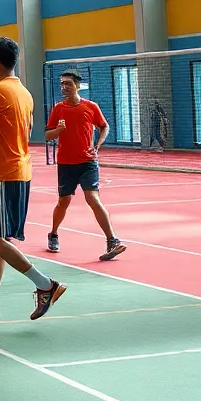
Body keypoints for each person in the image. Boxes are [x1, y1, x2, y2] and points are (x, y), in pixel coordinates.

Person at [0, 36, 66, 324]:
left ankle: (45, 284)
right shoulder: (25, 93)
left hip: (5, 172)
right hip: (19, 170)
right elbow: (25, 129)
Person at [45, 70, 126, 260]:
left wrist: (98, 145)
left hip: (88, 161)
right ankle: (54, 234)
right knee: (64, 202)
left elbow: (104, 126)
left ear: (77, 86)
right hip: (66, 162)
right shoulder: (58, 109)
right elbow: (48, 136)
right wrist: (58, 129)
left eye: (68, 84)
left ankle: (112, 240)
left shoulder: (90, 107)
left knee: (93, 198)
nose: (64, 87)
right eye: (62, 84)